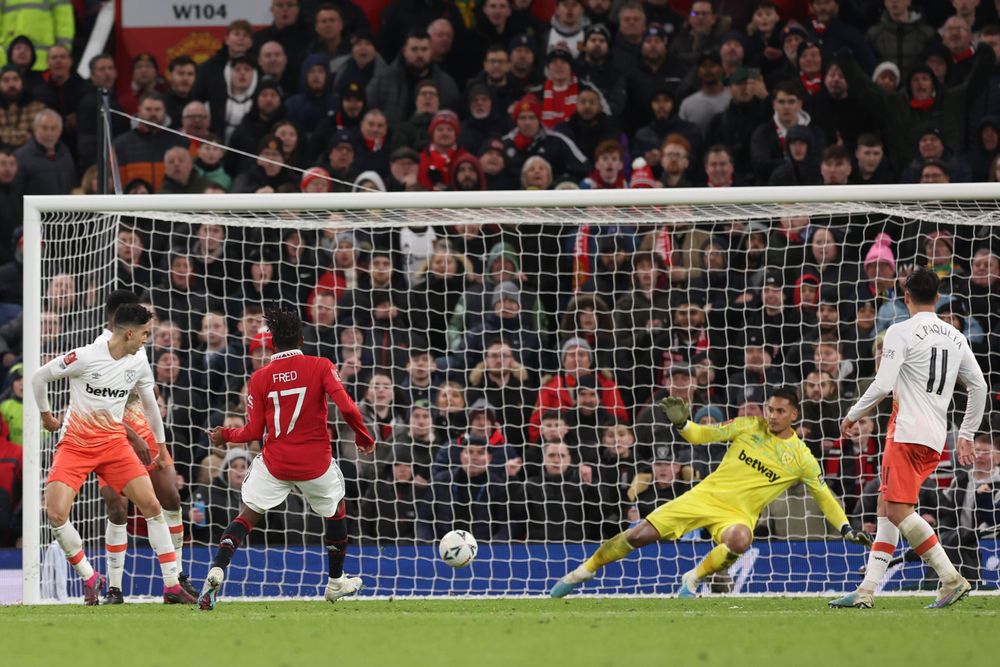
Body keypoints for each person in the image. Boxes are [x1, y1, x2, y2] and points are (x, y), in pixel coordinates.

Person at [551, 386, 871, 598]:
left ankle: (694, 577)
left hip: (737, 514)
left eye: (779, 411)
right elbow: (702, 434)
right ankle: (583, 572)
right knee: (637, 536)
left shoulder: (801, 457)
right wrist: (682, 424)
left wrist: (844, 527)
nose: (772, 415)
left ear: (794, 415)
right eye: (769, 409)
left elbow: (823, 494)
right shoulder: (748, 425)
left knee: (741, 540)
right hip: (703, 496)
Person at [830, 267, 988, 609]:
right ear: (938, 296)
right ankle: (867, 590)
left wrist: (852, 414)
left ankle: (951, 578)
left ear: (905, 297)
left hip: (904, 431)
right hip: (935, 436)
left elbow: (884, 385)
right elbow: (979, 386)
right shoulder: (956, 336)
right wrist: (966, 434)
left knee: (899, 509)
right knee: (886, 508)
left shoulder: (899, 331)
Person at [199, 307, 375, 610]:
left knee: (247, 515)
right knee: (337, 510)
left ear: (273, 343)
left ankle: (217, 569)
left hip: (275, 463)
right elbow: (346, 407)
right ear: (302, 339)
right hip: (315, 463)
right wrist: (362, 434)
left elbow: (253, 431)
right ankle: (335, 583)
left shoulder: (259, 378)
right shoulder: (321, 365)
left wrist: (225, 435)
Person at [31, 303, 194, 605]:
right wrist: (46, 416)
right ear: (130, 333)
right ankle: (92, 577)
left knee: (152, 506)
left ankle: (172, 584)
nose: (148, 340)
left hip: (114, 445)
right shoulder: (85, 357)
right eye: (145, 333)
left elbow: (150, 406)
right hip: (76, 445)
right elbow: (39, 377)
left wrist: (160, 446)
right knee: (55, 515)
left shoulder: (138, 362)